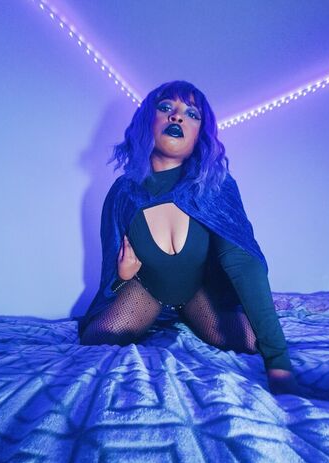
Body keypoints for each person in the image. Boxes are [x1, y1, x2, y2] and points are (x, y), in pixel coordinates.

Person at [77, 80, 301, 396]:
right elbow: (109, 280)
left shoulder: (215, 186)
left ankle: (182, 313)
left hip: (198, 293)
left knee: (252, 341)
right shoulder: (122, 193)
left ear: (199, 136)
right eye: (166, 107)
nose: (177, 116)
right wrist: (123, 278)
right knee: (98, 337)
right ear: (147, 121)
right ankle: (162, 312)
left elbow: (243, 263)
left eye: (191, 114)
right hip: (147, 289)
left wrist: (278, 363)